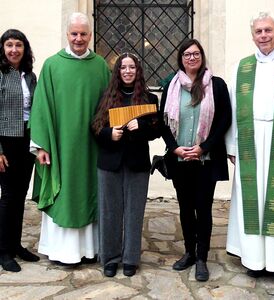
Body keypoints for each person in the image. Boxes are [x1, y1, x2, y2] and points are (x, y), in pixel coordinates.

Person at [226, 11, 274, 291]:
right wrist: (232, 146)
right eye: (259, 32)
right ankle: (255, 260)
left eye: (268, 30)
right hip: (250, 140)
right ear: (252, 35)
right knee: (252, 201)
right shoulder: (242, 67)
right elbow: (232, 109)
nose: (264, 36)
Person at [29, 12, 111, 265]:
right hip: (62, 146)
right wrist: (41, 145)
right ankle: (61, 250)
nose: (78, 39)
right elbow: (41, 106)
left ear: (90, 35)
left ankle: (90, 249)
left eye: (83, 34)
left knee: (90, 190)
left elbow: (111, 103)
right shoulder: (52, 65)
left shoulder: (100, 66)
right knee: (65, 191)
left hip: (92, 147)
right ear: (67, 35)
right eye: (74, 33)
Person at [160, 39, 231, 281]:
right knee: (185, 208)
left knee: (204, 208)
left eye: (196, 53)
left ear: (202, 57)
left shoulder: (217, 86)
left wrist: (204, 147)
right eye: (187, 54)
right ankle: (189, 252)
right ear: (180, 58)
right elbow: (163, 122)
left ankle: (202, 258)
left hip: (205, 160)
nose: (192, 58)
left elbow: (224, 120)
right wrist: (175, 148)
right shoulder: (171, 86)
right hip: (180, 160)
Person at [92, 53, 160, 277]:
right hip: (109, 162)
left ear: (137, 70)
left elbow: (156, 131)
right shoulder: (107, 96)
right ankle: (110, 257)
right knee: (109, 212)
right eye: (123, 68)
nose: (128, 71)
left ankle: (130, 258)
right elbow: (94, 128)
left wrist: (141, 127)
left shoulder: (149, 99)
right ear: (118, 72)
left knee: (134, 211)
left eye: (132, 67)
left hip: (137, 162)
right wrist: (109, 134)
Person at [0, 29, 39, 272]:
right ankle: (3, 252)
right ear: (2, 49)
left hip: (27, 140)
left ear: (25, 49)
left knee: (20, 196)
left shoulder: (30, 76)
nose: (14, 50)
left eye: (19, 45)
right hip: (6, 142)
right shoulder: (1, 75)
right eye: (9, 45)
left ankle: (15, 245)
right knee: (7, 197)